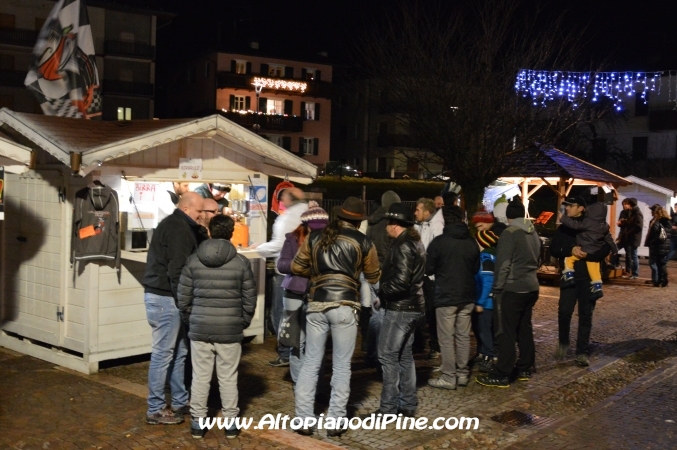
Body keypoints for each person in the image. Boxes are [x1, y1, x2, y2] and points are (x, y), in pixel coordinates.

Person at [291, 197, 380, 436]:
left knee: (311, 362)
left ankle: (303, 418)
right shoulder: (364, 242)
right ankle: (336, 420)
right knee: (341, 365)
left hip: (317, 303)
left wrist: (320, 274)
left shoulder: (315, 237)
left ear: (339, 216)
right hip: (345, 305)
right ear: (358, 221)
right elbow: (373, 275)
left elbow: (297, 267)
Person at [177, 215, 257, 439]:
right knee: (228, 377)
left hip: (200, 327)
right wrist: (241, 322)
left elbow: (183, 299)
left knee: (200, 377)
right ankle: (230, 424)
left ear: (209, 231)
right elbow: (249, 299)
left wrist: (192, 318)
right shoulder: (241, 263)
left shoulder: (193, 260)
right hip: (230, 328)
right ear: (231, 232)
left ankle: (197, 423)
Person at [141, 192, 205, 424]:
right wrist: (184, 302)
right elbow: (177, 270)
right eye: (199, 211)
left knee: (178, 352)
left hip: (163, 297)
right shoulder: (179, 229)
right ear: (187, 208)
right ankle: (155, 408)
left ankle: (179, 400)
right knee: (164, 354)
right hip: (166, 298)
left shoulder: (174, 224)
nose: (201, 216)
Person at [476, 199, 540, 388]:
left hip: (512, 288)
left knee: (505, 331)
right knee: (524, 328)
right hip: (531, 286)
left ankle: (503, 373)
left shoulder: (509, 233)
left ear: (508, 216)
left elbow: (503, 264)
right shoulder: (533, 231)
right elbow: (538, 258)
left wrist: (497, 288)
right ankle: (525, 367)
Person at [371, 203, 425, 416]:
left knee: (387, 355)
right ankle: (408, 404)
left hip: (401, 308)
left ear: (395, 224)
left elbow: (401, 282)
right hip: (413, 306)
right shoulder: (414, 242)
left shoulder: (403, 246)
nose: (385, 226)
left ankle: (388, 408)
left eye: (387, 222)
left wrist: (382, 291)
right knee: (404, 355)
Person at [550, 196, 611, 367]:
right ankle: (563, 343)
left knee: (586, 316)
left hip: (588, 280)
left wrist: (590, 255)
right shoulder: (564, 228)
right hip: (569, 279)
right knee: (564, 312)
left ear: (581, 208)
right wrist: (570, 249)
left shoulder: (593, 225)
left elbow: (606, 247)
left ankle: (581, 352)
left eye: (570, 205)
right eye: (566, 206)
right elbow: (554, 250)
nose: (567, 208)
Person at [426, 204, 479, 390]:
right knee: (463, 336)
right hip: (467, 295)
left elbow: (429, 268)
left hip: (446, 295)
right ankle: (463, 373)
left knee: (446, 338)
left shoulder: (439, 242)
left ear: (445, 220)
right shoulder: (471, 242)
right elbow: (475, 268)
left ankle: (449, 376)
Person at [254, 187, 308, 367]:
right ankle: (301, 350)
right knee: (301, 314)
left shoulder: (287, 217)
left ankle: (286, 352)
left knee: (282, 314)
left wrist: (259, 248)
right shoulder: (310, 212)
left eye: (282, 198)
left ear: (289, 200)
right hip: (307, 273)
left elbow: (279, 244)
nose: (281, 201)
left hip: (286, 273)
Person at [276, 202, 329, 383]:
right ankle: (300, 385)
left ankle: (314, 385)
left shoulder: (328, 240)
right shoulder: (293, 238)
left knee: (316, 343)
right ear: (306, 225)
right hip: (294, 293)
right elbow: (282, 265)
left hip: (319, 294)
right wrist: (301, 267)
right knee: (296, 343)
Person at [365, 190, 401, 366]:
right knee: (384, 314)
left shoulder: (372, 221)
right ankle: (380, 356)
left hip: (371, 272)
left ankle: (371, 351)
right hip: (385, 273)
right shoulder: (390, 223)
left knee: (376, 314)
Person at [560, 200, 616, 297]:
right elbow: (609, 238)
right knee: (594, 269)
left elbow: (576, 225)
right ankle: (597, 287)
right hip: (594, 251)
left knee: (569, 260)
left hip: (583, 249)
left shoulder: (588, 222)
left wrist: (563, 218)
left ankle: (569, 276)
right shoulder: (605, 225)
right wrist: (614, 249)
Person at [413, 197, 444, 358]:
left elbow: (435, 249)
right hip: (424, 274)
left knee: (431, 312)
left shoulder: (436, 225)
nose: (415, 212)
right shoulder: (422, 225)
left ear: (427, 212)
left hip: (430, 276)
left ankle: (435, 345)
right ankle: (425, 343)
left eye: (418, 210)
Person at [473, 230, 499, 373]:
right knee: (483, 329)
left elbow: (488, 281)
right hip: (489, 301)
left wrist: (480, 302)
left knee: (484, 330)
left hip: (486, 302)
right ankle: (483, 352)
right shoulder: (492, 256)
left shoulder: (485, 258)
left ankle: (488, 356)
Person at [645, 204, 671, 287]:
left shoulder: (658, 222)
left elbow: (655, 234)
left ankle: (661, 281)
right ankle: (663, 280)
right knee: (662, 264)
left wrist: (652, 241)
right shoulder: (668, 222)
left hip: (659, 245)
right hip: (665, 245)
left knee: (660, 264)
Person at [618, 198, 643, 279]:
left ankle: (634, 273)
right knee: (632, 255)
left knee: (633, 255)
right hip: (628, 237)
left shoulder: (637, 213)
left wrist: (628, 232)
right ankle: (633, 273)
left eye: (626, 204)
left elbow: (638, 226)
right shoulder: (631, 213)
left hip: (633, 238)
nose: (625, 206)